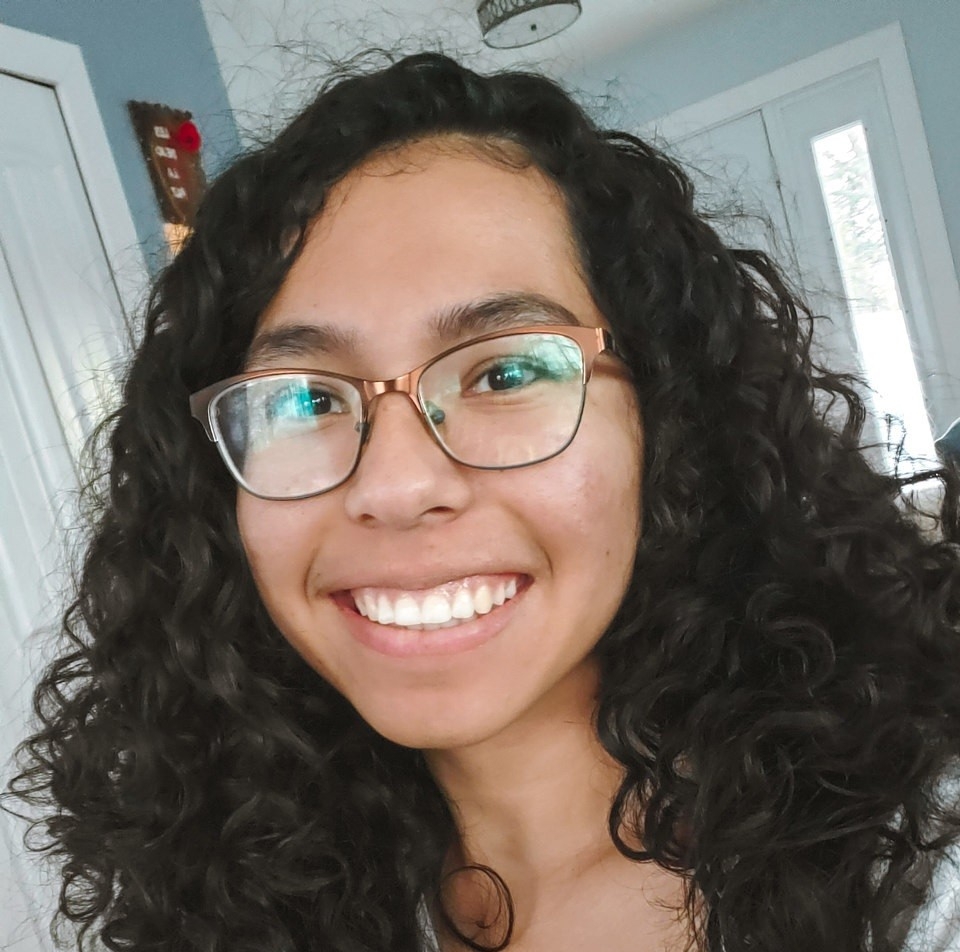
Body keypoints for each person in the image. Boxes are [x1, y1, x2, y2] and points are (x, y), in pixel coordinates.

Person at [8, 51, 960, 952]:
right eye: (304, 398)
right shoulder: (234, 898)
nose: (395, 486)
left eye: (505, 370)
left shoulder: (923, 872)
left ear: (673, 424)